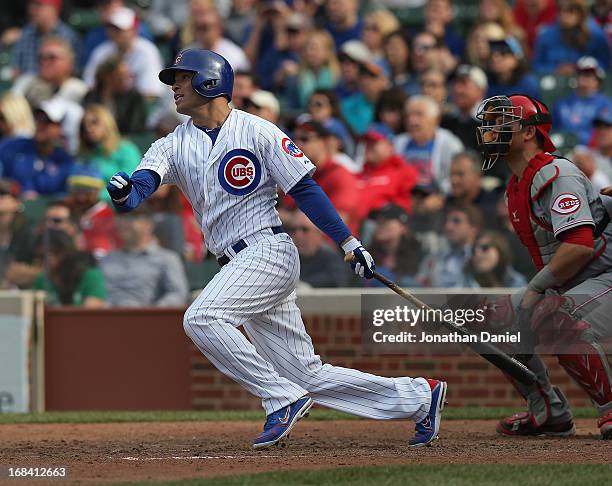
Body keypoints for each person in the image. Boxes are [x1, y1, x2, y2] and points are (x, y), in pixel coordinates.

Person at [105, 48, 447, 449]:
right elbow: (141, 188)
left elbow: (303, 188)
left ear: (210, 81)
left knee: (201, 317)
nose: (175, 86)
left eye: (182, 77)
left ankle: (279, 398)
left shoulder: (258, 130)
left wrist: (348, 241)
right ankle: (420, 396)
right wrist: (126, 192)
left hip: (267, 250)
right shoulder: (172, 143)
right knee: (306, 374)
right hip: (235, 262)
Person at [476, 93, 612, 439]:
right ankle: (548, 410)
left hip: (604, 271)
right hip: (579, 279)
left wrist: (536, 289)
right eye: (490, 124)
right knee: (491, 320)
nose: (491, 130)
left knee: (555, 314)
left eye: (502, 122)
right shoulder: (517, 185)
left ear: (528, 133)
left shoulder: (555, 173)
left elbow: (579, 247)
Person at [100, 207, 189, 306]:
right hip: (104, 318)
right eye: (120, 217)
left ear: (149, 225)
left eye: (131, 218)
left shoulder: (168, 259)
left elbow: (177, 294)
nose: (122, 223)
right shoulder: (107, 259)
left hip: (146, 318)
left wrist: (154, 312)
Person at [83, 7, 165, 98]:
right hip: (107, 103)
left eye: (120, 30)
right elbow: (89, 84)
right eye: (113, 28)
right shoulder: (102, 51)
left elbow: (152, 92)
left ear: (134, 30)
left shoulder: (147, 51)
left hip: (136, 106)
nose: (115, 33)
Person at [0, 98, 74, 198]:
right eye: (37, 118)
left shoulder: (66, 162)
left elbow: (66, 196)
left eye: (46, 121)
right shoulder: (11, 147)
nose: (40, 124)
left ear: (60, 127)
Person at [394, 95, 464, 193]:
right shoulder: (398, 142)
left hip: (438, 198)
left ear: (435, 119)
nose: (412, 121)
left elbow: (456, 180)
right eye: (408, 116)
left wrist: (440, 197)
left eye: (419, 115)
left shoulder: (450, 144)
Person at [355, 123, 418, 224]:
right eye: (367, 142)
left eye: (374, 142)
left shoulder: (404, 173)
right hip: (349, 234)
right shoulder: (356, 176)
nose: (368, 146)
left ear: (390, 146)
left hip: (381, 230)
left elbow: (409, 207)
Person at [78, 104, 142, 196]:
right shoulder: (85, 156)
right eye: (83, 126)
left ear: (107, 123)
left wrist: (97, 196)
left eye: (94, 122)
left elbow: (129, 186)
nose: (88, 128)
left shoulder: (126, 150)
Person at [532, 0, 611, 75]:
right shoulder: (546, 35)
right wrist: (555, 69)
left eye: (570, 11)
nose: (564, 15)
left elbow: (606, 64)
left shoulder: (596, 34)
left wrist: (583, 68)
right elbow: (536, 65)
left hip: (588, 83)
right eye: (560, 10)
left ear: (581, 13)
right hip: (554, 82)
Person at [32, 229, 107, 307]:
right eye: (41, 256)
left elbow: (90, 313)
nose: (49, 258)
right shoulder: (42, 280)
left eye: (56, 252)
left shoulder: (91, 276)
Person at [416, 203, 482, 287]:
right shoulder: (433, 258)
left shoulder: (482, 257)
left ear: (473, 228)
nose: (448, 226)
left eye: (456, 221)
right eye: (446, 221)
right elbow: (419, 288)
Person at [10, 0, 80, 77]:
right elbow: (16, 70)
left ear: (53, 9)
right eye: (31, 5)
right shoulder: (25, 34)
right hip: (29, 84)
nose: (32, 9)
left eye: (38, 5)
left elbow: (73, 72)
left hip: (56, 85)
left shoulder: (68, 36)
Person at [12, 36, 87, 107]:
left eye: (52, 57)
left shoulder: (78, 89)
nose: (44, 62)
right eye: (41, 57)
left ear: (69, 63)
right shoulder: (26, 82)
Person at [552, 57, 612, 146]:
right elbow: (555, 130)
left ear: (598, 80)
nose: (584, 78)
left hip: (591, 150)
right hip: (562, 148)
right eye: (581, 74)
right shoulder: (562, 103)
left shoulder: (605, 104)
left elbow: (603, 134)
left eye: (589, 75)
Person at [65, 165, 121, 259]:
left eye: (87, 192)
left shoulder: (108, 215)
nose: (81, 197)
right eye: (76, 191)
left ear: (97, 191)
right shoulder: (65, 210)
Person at [83, 55, 147, 134]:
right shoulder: (91, 97)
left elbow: (136, 128)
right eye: (121, 76)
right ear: (107, 77)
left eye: (127, 76)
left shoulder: (134, 97)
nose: (125, 81)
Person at [367, 204, 425, 288]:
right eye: (378, 221)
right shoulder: (367, 254)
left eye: (385, 221)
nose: (379, 225)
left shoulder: (417, 252)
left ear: (403, 227)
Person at [289, 210, 349, 288]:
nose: (298, 235)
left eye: (305, 229)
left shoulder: (329, 256)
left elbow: (337, 280)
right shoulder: (288, 257)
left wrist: (306, 285)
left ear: (318, 233)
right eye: (294, 230)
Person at [445, 151, 500, 225]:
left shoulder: (494, 207)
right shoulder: (445, 205)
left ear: (477, 176)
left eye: (460, 174)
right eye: (452, 174)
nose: (454, 180)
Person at [441, 65, 488, 152]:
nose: (457, 89)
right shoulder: (446, 122)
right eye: (455, 83)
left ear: (481, 91)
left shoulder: (492, 124)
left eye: (464, 84)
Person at [459, 230, 527, 288]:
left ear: (500, 250)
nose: (477, 253)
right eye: (473, 250)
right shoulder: (466, 281)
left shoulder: (517, 283)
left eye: (484, 247)